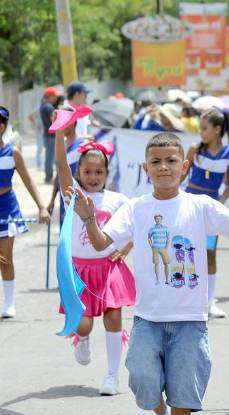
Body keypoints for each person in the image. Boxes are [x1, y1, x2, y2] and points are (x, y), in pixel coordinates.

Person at [72, 133, 229, 415]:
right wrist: (89, 219)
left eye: (171, 161)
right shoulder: (136, 208)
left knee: (184, 389)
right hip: (148, 318)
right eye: (156, 162)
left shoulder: (200, 205)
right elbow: (102, 242)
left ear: (184, 166)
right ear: (146, 168)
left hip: (189, 319)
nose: (164, 168)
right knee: (141, 380)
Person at [55, 120, 135, 395]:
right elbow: (61, 166)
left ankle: (112, 376)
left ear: (106, 173)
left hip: (109, 268)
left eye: (98, 171)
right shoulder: (73, 197)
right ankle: (82, 338)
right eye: (87, 171)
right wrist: (59, 133)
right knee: (84, 323)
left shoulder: (119, 200)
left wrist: (124, 250)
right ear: (79, 172)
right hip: (80, 271)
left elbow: (136, 226)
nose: (93, 176)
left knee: (114, 318)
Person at [185, 108, 229, 319]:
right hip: (188, 205)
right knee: (185, 251)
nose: (201, 132)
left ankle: (209, 302)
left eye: (204, 128)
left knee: (209, 254)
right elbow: (181, 176)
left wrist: (219, 204)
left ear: (216, 130)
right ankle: (186, 298)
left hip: (211, 208)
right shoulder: (194, 149)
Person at [0, 106, 50, 318]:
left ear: (4, 126)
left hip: (7, 206)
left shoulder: (13, 153)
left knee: (4, 257)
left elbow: (28, 180)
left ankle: (9, 304)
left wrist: (42, 207)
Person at [40, 88, 60, 184]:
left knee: (49, 157)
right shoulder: (48, 107)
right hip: (51, 136)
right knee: (50, 158)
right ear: (50, 96)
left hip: (47, 136)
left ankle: (48, 177)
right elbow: (54, 118)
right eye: (54, 96)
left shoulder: (44, 105)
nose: (56, 98)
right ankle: (49, 178)